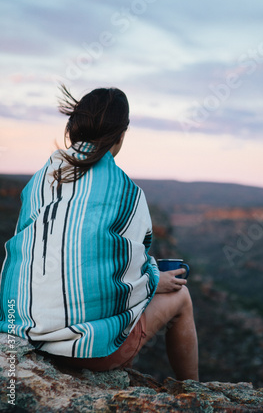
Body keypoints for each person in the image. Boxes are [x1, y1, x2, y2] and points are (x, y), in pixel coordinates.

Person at [0, 85, 198, 381]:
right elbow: (133, 266)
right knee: (182, 297)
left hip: (24, 332)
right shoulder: (127, 192)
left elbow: (28, 250)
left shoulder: (40, 179)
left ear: (73, 127)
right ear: (121, 134)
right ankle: (193, 392)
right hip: (91, 353)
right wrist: (156, 279)